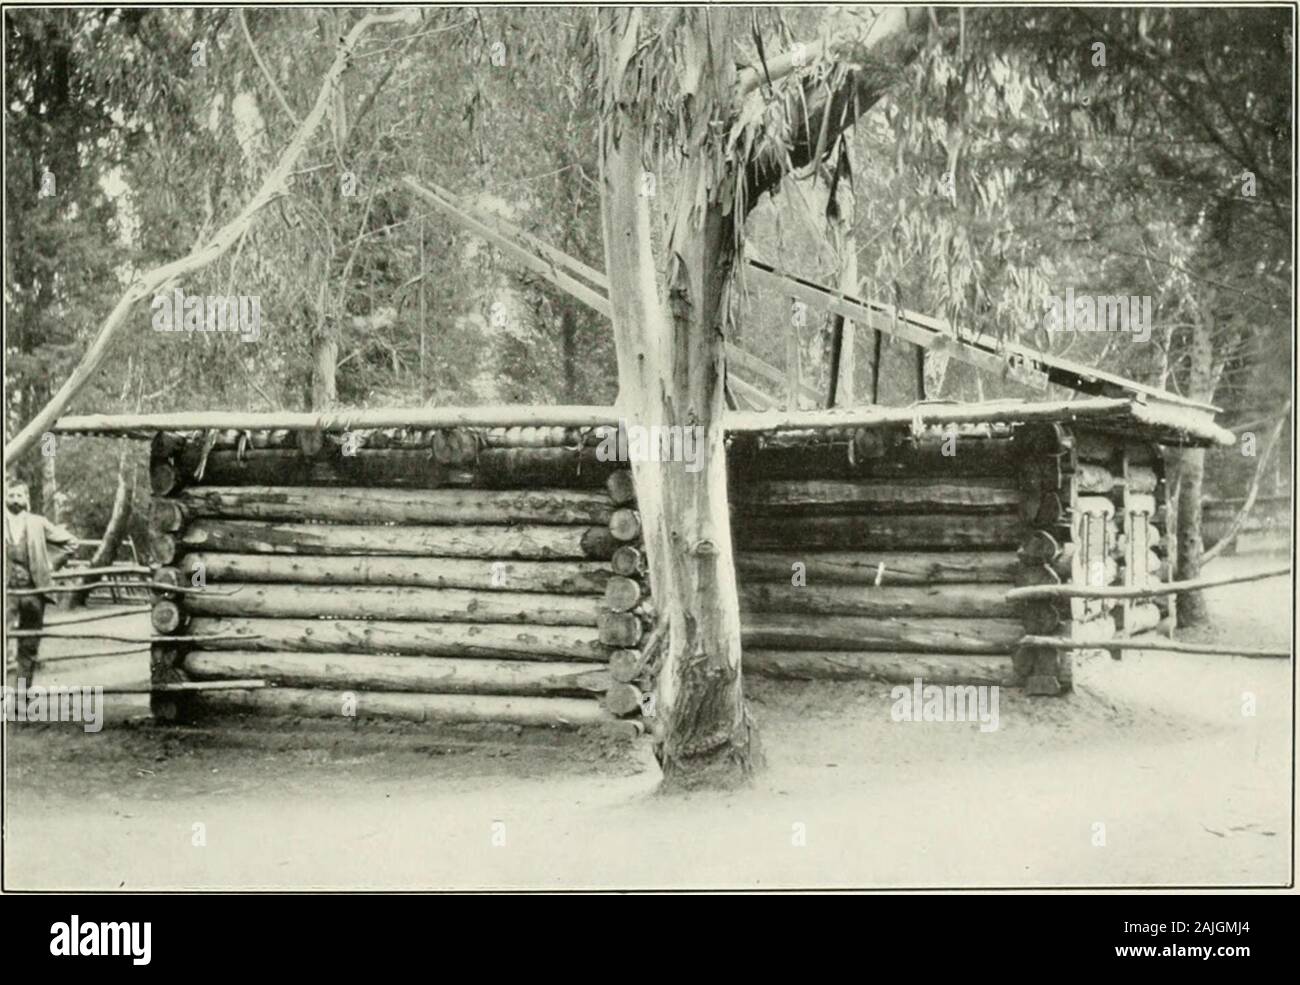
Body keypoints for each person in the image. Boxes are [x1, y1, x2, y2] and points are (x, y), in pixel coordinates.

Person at [4, 480, 78, 686]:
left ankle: (21, 696)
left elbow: (71, 543)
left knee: (28, 647)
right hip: (6, 593)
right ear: (5, 497)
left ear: (27, 499)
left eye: (20, 495)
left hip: (34, 592)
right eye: (11, 495)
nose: (15, 500)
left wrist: (51, 565)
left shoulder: (38, 522)